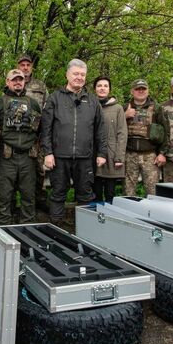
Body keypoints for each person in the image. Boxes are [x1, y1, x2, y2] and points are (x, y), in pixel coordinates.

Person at [41, 59, 107, 224]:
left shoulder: (93, 101)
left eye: (82, 74)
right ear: (67, 75)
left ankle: (85, 229)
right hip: (59, 157)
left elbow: (101, 130)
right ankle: (56, 228)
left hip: (85, 158)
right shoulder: (55, 98)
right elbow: (46, 128)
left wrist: (102, 153)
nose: (79, 77)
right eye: (76, 73)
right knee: (58, 193)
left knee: (85, 194)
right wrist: (48, 153)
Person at [0, 69, 41, 224]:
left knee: (28, 195)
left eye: (20, 79)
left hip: (28, 157)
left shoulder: (33, 103)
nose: (17, 82)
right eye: (14, 80)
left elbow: (39, 129)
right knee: (4, 195)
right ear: (7, 82)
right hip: (7, 157)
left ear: (24, 81)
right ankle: (3, 228)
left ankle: (28, 227)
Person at [17, 54, 50, 210]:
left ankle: (40, 201)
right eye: (22, 65)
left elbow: (47, 110)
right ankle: (20, 204)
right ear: (18, 66)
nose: (25, 67)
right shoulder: (14, 84)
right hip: (18, 137)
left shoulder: (40, 86)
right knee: (20, 172)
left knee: (39, 170)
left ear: (31, 67)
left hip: (37, 137)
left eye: (28, 65)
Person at [123, 79, 164, 196]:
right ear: (132, 91)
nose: (140, 91)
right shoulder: (125, 107)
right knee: (128, 191)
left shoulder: (156, 108)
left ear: (148, 90)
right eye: (137, 89)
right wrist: (124, 116)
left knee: (152, 192)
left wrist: (162, 153)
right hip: (129, 155)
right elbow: (115, 128)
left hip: (150, 156)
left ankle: (153, 213)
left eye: (143, 89)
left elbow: (165, 131)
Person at [93, 76, 127, 203]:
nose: (102, 88)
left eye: (105, 86)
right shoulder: (90, 106)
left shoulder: (117, 108)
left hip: (112, 157)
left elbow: (122, 133)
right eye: (99, 85)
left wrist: (119, 157)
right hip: (93, 156)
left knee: (110, 193)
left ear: (109, 89)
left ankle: (109, 219)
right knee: (95, 192)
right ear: (95, 88)